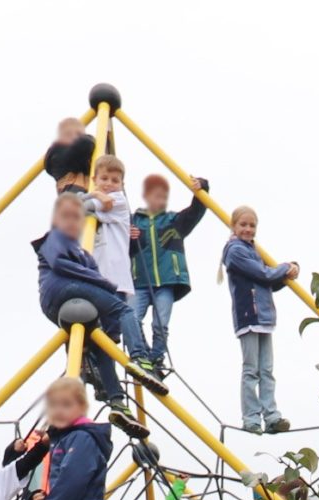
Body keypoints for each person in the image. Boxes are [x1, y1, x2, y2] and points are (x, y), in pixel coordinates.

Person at [31, 191, 140, 413]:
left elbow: (91, 273)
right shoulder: (54, 237)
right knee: (123, 310)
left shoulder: (82, 253)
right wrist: (106, 284)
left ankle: (117, 400)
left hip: (68, 298)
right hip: (61, 290)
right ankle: (139, 358)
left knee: (100, 341)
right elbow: (62, 265)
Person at [221, 205, 299, 434]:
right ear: (234, 226)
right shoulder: (235, 251)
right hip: (249, 314)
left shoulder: (253, 251)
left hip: (264, 315)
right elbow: (263, 274)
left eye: (252, 225)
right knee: (251, 369)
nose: (247, 229)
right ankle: (251, 417)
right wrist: (285, 267)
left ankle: (271, 416)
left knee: (266, 369)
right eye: (243, 225)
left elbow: (269, 282)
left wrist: (289, 272)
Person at [130, 173, 212, 375]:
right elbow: (117, 242)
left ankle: (156, 358)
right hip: (139, 281)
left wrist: (202, 188)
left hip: (166, 281)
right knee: (131, 318)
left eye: (163, 196)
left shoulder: (174, 221)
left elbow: (196, 211)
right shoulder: (133, 222)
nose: (160, 200)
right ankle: (143, 355)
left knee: (160, 323)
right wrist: (128, 237)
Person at [77, 155, 144, 369]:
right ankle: (107, 384)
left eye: (115, 181)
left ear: (122, 185)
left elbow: (82, 207)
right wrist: (95, 193)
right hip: (98, 278)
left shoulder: (119, 201)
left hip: (115, 278)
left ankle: (139, 355)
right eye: (104, 179)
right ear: (95, 179)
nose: (109, 184)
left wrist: (95, 195)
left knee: (114, 328)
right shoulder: (101, 197)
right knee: (102, 336)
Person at [43, 117, 96, 189]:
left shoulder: (81, 159)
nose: (74, 137)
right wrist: (90, 138)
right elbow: (84, 144)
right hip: (74, 195)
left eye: (79, 134)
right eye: (68, 134)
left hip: (86, 193)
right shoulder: (57, 156)